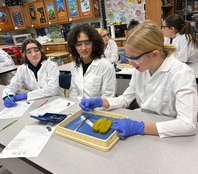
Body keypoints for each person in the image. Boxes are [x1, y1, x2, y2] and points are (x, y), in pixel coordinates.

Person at [79, 20, 198, 138]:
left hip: (170, 132)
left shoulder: (182, 73)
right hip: (144, 122)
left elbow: (187, 125)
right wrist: (101, 102)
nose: (131, 63)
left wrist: (139, 127)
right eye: (128, 57)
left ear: (155, 54)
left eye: (135, 57)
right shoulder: (141, 69)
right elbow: (125, 99)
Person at [2, 38, 64, 108]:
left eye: (36, 50)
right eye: (29, 52)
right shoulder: (22, 69)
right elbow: (13, 86)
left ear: (41, 50)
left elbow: (52, 90)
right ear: (24, 54)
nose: (33, 54)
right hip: (37, 102)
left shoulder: (51, 66)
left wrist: (27, 95)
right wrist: (8, 96)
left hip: (56, 100)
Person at [67, 23, 117, 100]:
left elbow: (108, 97)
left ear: (94, 43)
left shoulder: (106, 66)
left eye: (87, 43)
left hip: (97, 109)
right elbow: (74, 91)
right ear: (74, 46)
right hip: (77, 107)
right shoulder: (74, 65)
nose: (83, 48)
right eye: (79, 44)